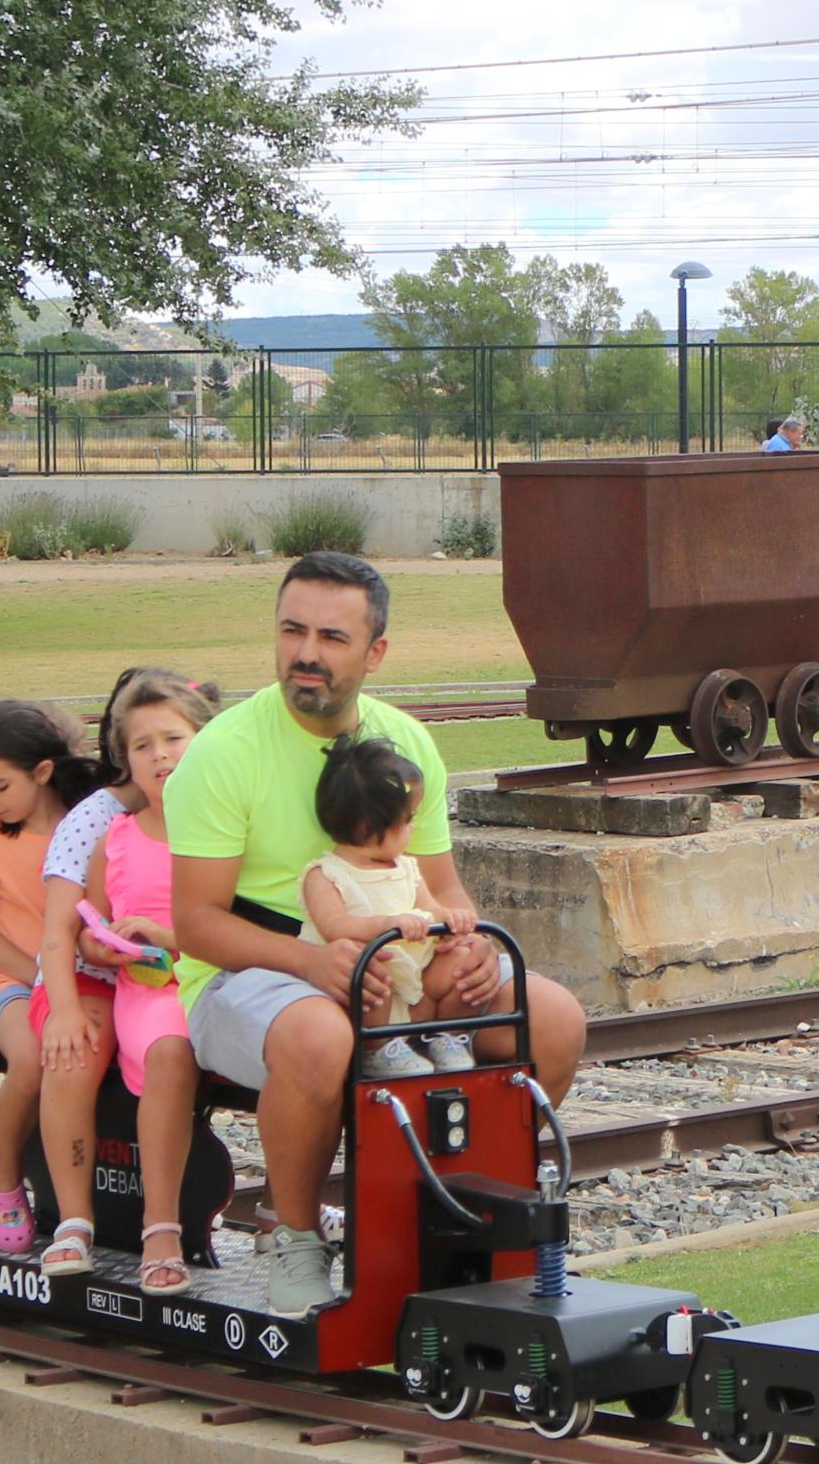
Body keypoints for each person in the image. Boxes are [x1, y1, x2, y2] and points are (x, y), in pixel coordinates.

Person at [164, 553, 593, 1319]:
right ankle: (294, 1233)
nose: (306, 652)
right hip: (252, 969)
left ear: (376, 651)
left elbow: (440, 882)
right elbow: (195, 924)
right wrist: (312, 959)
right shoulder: (224, 751)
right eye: (292, 630)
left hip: (397, 959)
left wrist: (472, 949)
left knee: (554, 1017)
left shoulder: (405, 745)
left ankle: (458, 1205)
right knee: (321, 1035)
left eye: (332, 635)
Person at [57, 676, 222, 1295]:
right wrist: (100, 943)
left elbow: (243, 923)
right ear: (126, 762)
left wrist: (167, 932)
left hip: (215, 975)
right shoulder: (116, 839)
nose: (161, 756)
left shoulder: (227, 830)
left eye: (174, 739)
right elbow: (89, 923)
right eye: (143, 746)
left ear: (205, 742)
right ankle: (162, 1227)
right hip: (152, 992)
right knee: (169, 1049)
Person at [0, 696, 105, 1271]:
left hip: (82, 976)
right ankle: (3, 1166)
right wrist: (36, 975)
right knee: (34, 1054)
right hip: (10, 979)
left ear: (41, 773)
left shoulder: (85, 823)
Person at [302, 738, 469, 1077]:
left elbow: (430, 907)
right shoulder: (326, 875)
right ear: (369, 828)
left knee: (461, 961)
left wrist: (450, 918)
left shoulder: (405, 868)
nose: (413, 828)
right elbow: (334, 925)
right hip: (374, 977)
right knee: (369, 966)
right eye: (406, 821)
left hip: (415, 969)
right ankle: (377, 1049)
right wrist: (389, 924)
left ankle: (445, 1033)